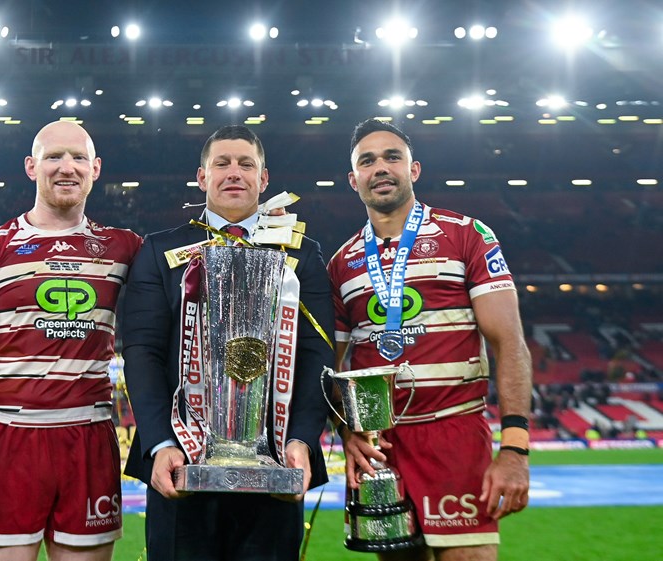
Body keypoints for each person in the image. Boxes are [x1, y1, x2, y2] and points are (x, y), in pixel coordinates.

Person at [121, 125, 335, 560]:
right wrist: (161, 443)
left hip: (276, 461)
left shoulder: (302, 253)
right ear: (202, 178)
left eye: (245, 164)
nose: (233, 173)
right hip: (182, 460)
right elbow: (142, 353)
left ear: (264, 178)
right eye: (222, 163)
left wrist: (301, 440)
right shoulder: (160, 252)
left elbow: (317, 356)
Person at [0, 121, 142, 561]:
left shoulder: (125, 248)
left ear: (96, 169)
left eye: (79, 157)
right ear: (31, 167)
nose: (67, 167)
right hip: (5, 442)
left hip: (87, 439)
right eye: (53, 156)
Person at [328, 118, 532, 561]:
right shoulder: (342, 263)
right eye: (367, 161)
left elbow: (510, 343)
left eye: (391, 157)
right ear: (353, 179)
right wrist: (347, 433)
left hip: (455, 436)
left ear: (413, 170)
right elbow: (332, 366)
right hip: (382, 448)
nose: (380, 167)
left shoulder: (467, 235)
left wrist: (514, 448)